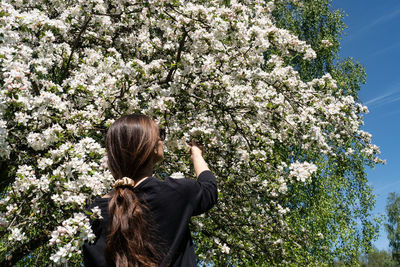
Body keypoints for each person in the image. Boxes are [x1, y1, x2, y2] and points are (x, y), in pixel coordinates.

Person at [82, 114, 218, 267]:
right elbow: (210, 188)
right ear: (150, 145)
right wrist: (197, 156)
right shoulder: (175, 193)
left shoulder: (93, 215)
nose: (162, 139)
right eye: (160, 134)